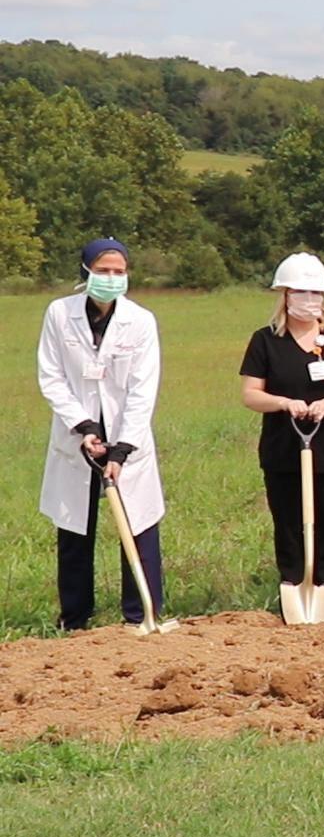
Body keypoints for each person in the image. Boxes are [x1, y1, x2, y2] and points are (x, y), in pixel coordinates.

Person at [37, 237, 166, 631]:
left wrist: (123, 448)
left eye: (119, 271)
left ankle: (141, 613)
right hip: (79, 434)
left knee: (139, 524)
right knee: (76, 528)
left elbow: (144, 388)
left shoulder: (141, 321)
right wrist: (85, 427)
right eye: (103, 270)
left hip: (128, 433)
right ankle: (74, 619)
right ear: (86, 271)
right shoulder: (60, 314)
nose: (111, 278)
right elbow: (52, 376)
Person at [240, 252, 324, 603]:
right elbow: (251, 394)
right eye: (301, 293)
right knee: (289, 528)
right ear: (284, 295)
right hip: (284, 451)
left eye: (316, 294)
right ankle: (294, 593)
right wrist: (284, 403)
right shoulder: (265, 340)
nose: (309, 301)